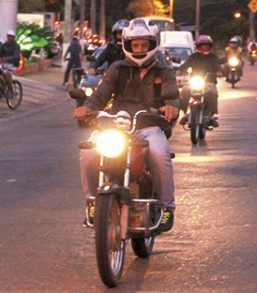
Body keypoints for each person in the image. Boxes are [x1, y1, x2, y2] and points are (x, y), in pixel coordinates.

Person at [73, 21, 180, 232]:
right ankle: (93, 201)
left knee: (159, 153)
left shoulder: (164, 70)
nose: (139, 50)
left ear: (153, 45)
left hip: (148, 126)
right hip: (116, 125)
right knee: (88, 152)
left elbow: (173, 96)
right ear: (127, 46)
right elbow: (100, 95)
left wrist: (171, 107)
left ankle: (168, 207)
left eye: (144, 45)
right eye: (135, 45)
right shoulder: (117, 69)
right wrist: (87, 108)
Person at [178, 35, 221, 127]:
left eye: (207, 45)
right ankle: (185, 114)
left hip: (209, 82)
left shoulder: (213, 57)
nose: (205, 47)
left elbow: (218, 66)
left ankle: (211, 116)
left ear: (210, 46)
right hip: (194, 81)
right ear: (198, 46)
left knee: (213, 92)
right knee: (185, 90)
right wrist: (179, 71)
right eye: (203, 45)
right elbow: (185, 65)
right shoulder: (193, 57)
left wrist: (219, 72)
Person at [0, 30, 21, 98]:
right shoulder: (4, 45)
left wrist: (10, 58)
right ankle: (2, 86)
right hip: (4, 63)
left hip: (13, 64)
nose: (9, 38)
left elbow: (16, 55)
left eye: (11, 37)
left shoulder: (16, 46)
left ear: (13, 38)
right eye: (8, 36)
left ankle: (12, 92)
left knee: (5, 73)